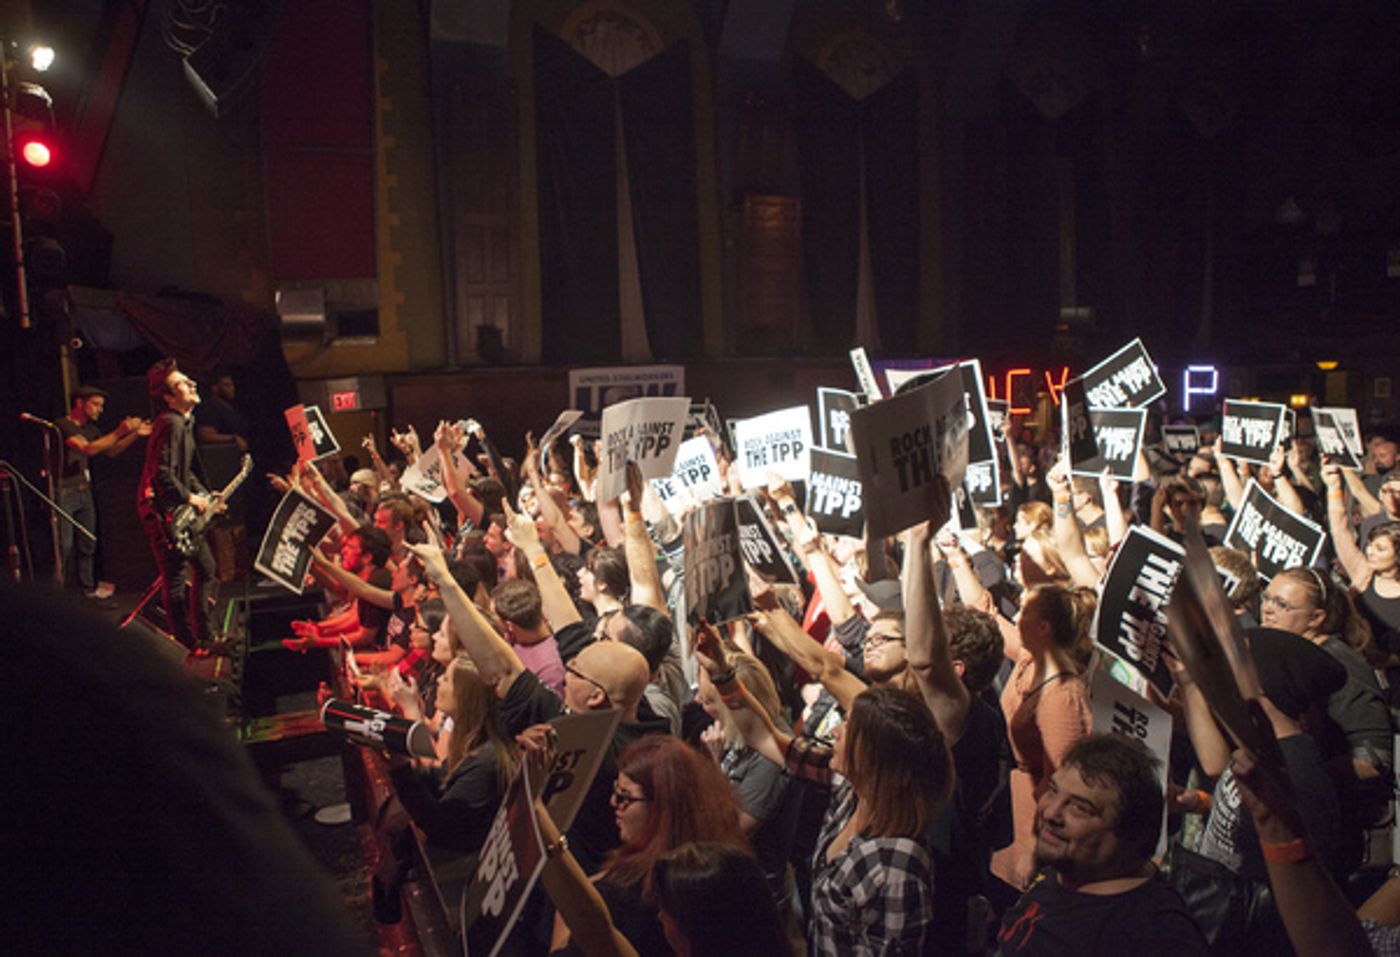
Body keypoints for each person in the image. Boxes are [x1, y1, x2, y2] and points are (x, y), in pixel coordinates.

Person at [697, 622, 954, 955]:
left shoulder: (897, 863)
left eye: (847, 727)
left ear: (871, 755)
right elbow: (765, 736)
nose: (834, 732)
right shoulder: (850, 787)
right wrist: (722, 674)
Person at [995, 735, 1209, 955]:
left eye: (1079, 808)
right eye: (1053, 790)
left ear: (1131, 834)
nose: (1050, 813)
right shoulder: (1065, 868)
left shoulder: (1157, 937)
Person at [552, 734, 750, 955]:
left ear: (661, 809)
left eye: (624, 797)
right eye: (615, 790)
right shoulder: (721, 870)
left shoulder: (622, 898)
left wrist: (566, 912)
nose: (613, 803)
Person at [992, 584, 1093, 896]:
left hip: (1034, 820)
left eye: (1023, 612)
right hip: (1014, 804)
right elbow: (987, 614)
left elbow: (1060, 781)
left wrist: (1033, 848)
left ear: (1044, 627)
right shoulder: (1030, 659)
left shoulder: (1061, 696)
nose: (1016, 618)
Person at [385, 656, 517, 854]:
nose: (438, 680)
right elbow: (440, 780)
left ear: (465, 696)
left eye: (446, 679)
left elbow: (441, 827)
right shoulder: (470, 738)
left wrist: (401, 770)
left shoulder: (486, 760)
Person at [137, 358, 219, 649]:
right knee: (174, 577)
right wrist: (189, 498)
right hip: (160, 512)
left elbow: (185, 471)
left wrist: (207, 497)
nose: (192, 384)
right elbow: (161, 474)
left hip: (176, 509)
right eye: (182, 383)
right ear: (169, 397)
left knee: (206, 569)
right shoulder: (169, 423)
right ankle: (188, 642)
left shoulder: (184, 422)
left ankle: (204, 636)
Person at [53, 384, 149, 597]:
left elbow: (112, 450)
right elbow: (87, 448)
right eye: (96, 405)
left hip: (84, 491)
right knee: (65, 546)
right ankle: (61, 594)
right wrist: (120, 430)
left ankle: (86, 591)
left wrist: (134, 435)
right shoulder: (63, 425)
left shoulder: (92, 429)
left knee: (88, 542)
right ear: (80, 403)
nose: (99, 410)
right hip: (64, 491)